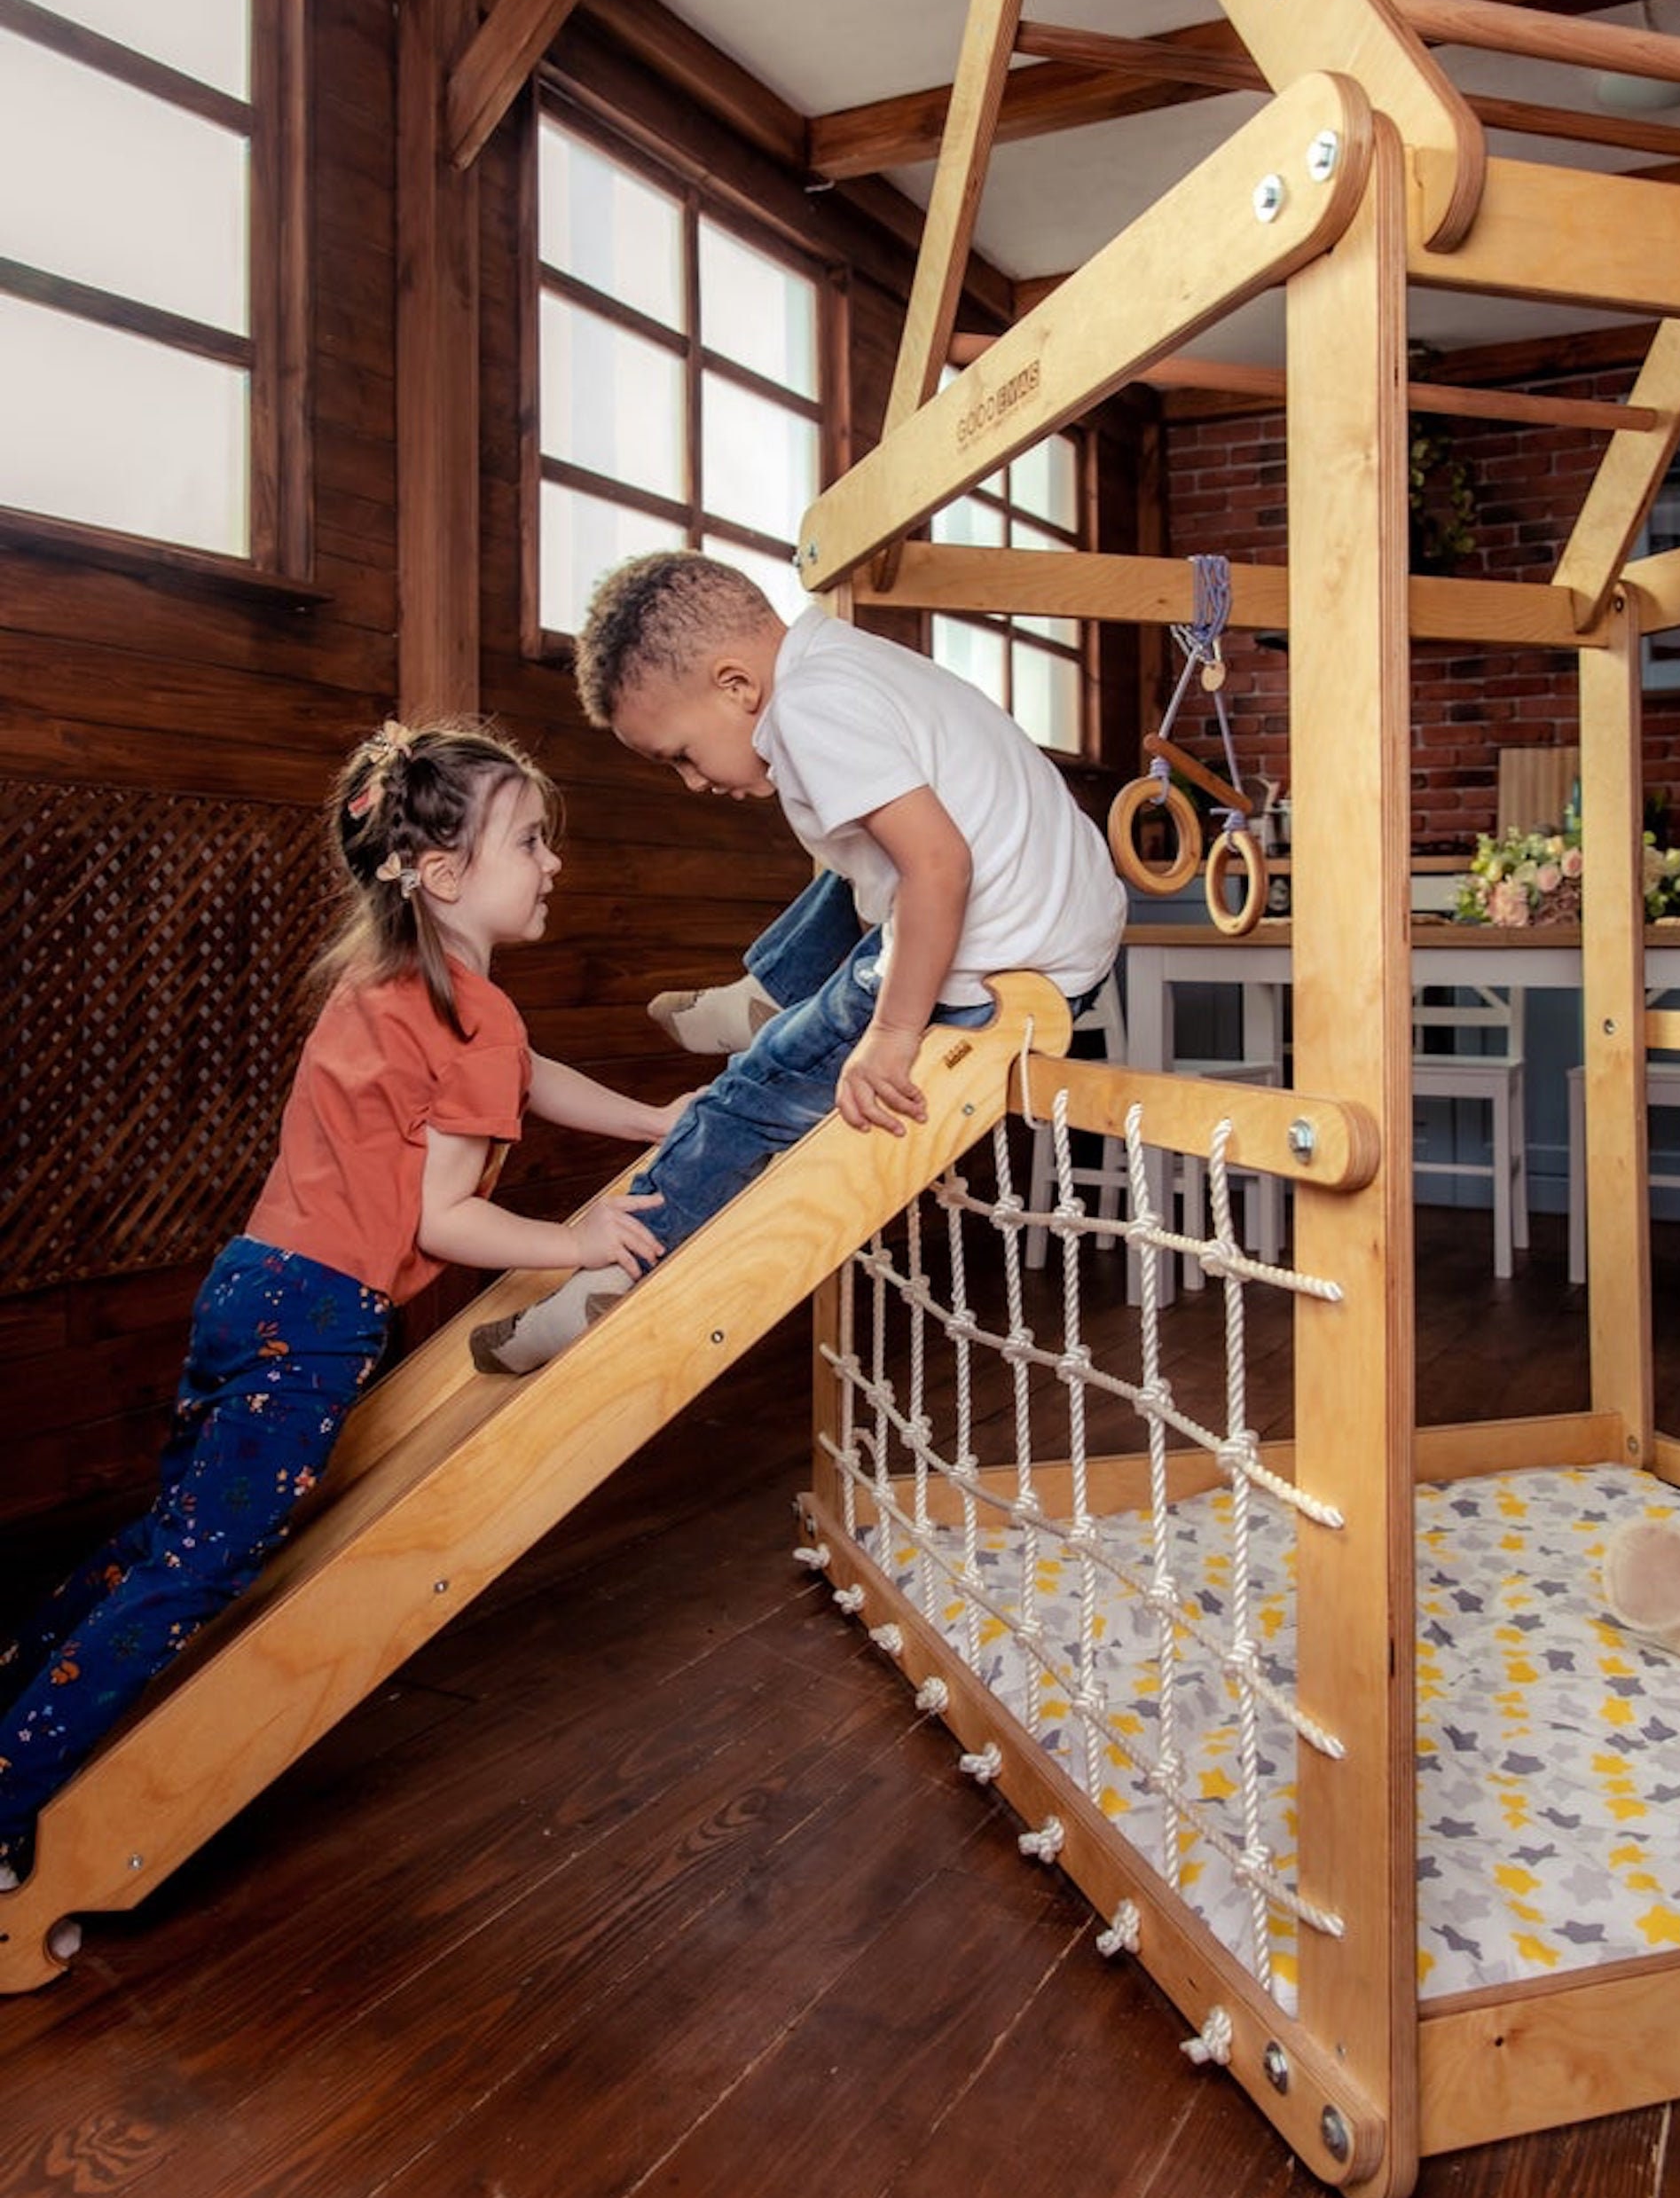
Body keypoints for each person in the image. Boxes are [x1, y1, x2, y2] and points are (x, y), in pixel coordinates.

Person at [0, 718, 687, 1895]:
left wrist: (648, 1119)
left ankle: (18, 1689)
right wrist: (573, 1242)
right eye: (531, 841)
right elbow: (444, 1220)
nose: (553, 862)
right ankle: (13, 1792)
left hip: (249, 1284)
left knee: (168, 1537)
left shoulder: (392, 984)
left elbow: (522, 1081)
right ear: (442, 874)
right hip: (316, 1319)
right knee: (202, 1566)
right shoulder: (474, 1010)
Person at [470, 551, 1125, 1376]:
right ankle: (766, 994)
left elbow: (939, 868)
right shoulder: (842, 659)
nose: (691, 783)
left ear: (737, 685)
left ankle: (611, 1273)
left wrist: (893, 1034)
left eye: (681, 754)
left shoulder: (814, 709)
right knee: (854, 865)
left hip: (997, 965)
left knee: (751, 1091)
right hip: (1067, 926)